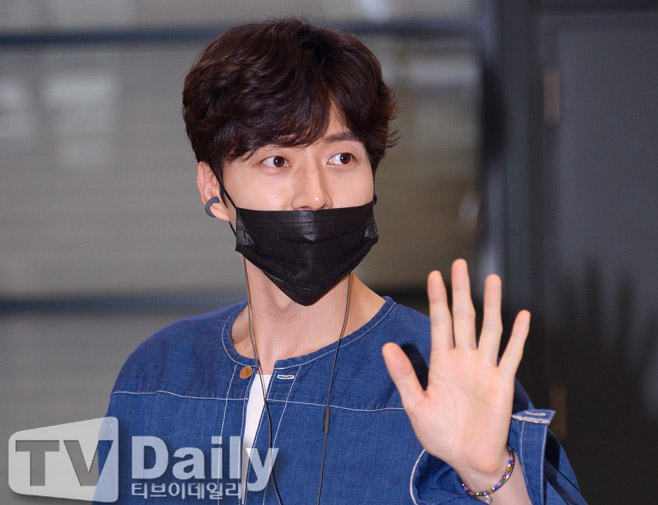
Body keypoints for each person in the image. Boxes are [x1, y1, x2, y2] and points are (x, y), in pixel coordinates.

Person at [98, 19, 587, 504]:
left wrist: (491, 474)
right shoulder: (157, 374)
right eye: (277, 161)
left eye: (342, 159)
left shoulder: (443, 374)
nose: (314, 195)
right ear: (213, 189)